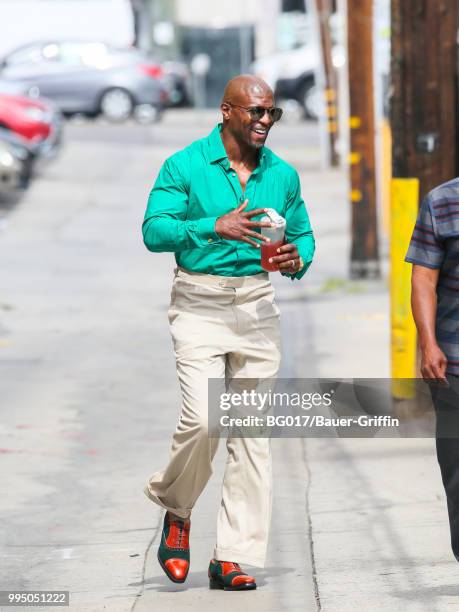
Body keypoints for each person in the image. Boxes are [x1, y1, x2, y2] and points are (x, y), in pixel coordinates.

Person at [141, 75, 315, 591]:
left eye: (272, 114)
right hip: (198, 302)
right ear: (226, 111)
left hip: (257, 303)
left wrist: (296, 258)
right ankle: (177, 509)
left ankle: (231, 556)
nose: (264, 121)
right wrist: (211, 226)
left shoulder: (280, 174)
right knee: (202, 420)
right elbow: (153, 230)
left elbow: (302, 233)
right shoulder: (185, 165)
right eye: (255, 112)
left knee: (251, 435)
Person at [406, 177, 459, 561]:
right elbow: (423, 278)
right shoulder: (441, 201)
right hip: (454, 362)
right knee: (456, 472)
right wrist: (428, 343)